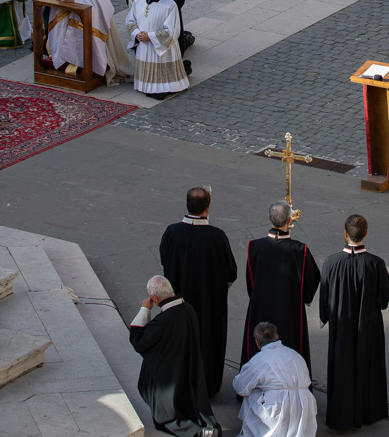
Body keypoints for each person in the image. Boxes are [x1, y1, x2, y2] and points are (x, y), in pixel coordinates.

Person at [160, 187, 238, 397]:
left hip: (177, 304)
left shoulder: (172, 232)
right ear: (208, 207)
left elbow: (165, 264)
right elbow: (231, 273)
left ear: (186, 205)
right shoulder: (217, 237)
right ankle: (207, 385)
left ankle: (180, 384)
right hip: (208, 306)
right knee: (207, 343)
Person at [318, 213, 389, 429]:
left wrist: (326, 316)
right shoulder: (375, 263)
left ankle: (342, 412)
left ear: (345, 234)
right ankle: (367, 410)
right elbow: (385, 296)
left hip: (341, 326)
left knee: (342, 366)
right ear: (366, 234)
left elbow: (324, 298)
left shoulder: (331, 262)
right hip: (367, 325)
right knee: (368, 366)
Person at [129, 275, 216, 437]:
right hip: (187, 365)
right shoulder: (187, 308)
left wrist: (144, 310)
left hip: (170, 370)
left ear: (154, 297)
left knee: (168, 415)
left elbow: (137, 339)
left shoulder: (164, 320)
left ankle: (196, 433)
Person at [243, 201, 320, 363]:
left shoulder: (254, 247)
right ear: (289, 221)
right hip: (289, 310)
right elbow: (312, 279)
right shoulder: (300, 250)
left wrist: (257, 297)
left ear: (269, 218)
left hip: (261, 306)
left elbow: (251, 280)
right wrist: (305, 297)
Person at [45, 0, 124, 79]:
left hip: (87, 22)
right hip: (68, 18)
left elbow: (99, 5)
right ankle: (66, 61)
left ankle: (86, 65)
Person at [233, 322, 314, 437]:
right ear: (277, 337)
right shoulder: (295, 354)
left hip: (278, 407)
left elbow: (240, 387)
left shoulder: (259, 360)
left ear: (257, 342)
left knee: (250, 392)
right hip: (304, 407)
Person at [127, 0, 188, 97]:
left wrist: (150, 36)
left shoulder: (169, 5)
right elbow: (130, 21)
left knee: (164, 82)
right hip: (143, 44)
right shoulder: (137, 1)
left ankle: (166, 86)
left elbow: (172, 31)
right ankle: (144, 85)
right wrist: (137, 33)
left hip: (160, 48)